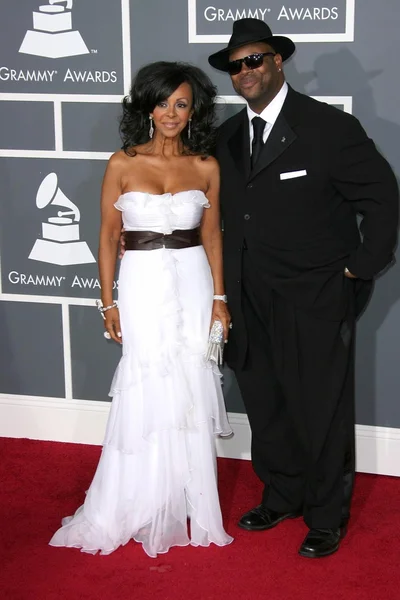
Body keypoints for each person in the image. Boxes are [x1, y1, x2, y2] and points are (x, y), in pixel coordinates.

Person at [208, 18, 398, 558]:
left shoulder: (329, 128)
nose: (245, 71)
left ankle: (324, 514)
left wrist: (360, 267)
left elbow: (383, 198)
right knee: (266, 405)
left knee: (321, 409)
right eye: (236, 64)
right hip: (246, 298)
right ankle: (282, 493)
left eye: (255, 60)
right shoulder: (224, 138)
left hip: (314, 297)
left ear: (277, 62)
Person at [49, 61, 234, 558]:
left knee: (190, 383)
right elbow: (109, 237)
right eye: (162, 103)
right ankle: (134, 498)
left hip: (194, 280)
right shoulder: (122, 163)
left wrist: (219, 298)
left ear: (193, 110)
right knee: (147, 379)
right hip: (142, 282)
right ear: (146, 107)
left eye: (181, 103)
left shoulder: (206, 166)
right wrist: (106, 300)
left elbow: (213, 236)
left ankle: (181, 496)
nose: (171, 113)